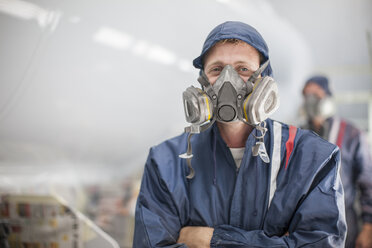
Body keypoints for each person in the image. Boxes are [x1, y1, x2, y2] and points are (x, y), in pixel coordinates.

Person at [133, 21, 346, 247]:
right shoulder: (166, 162)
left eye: (243, 69)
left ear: (264, 83)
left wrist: (212, 240)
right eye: (216, 69)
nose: (228, 80)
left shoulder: (311, 158)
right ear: (202, 83)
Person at [302, 75, 372, 248]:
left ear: (328, 97)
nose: (310, 100)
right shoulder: (298, 135)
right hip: (305, 223)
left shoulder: (353, 135)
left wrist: (368, 227)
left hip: (344, 220)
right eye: (306, 95)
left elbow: (367, 183)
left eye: (316, 95)